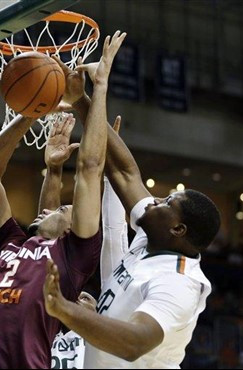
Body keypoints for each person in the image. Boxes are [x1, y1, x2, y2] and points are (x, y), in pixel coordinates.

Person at [0, 30, 126, 369]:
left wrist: (98, 90)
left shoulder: (74, 256)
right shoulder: (10, 244)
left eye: (63, 208)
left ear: (69, 230)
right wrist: (31, 112)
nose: (52, 206)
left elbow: (90, 168)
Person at [43, 53, 221, 368]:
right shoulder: (151, 235)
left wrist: (65, 309)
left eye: (167, 203)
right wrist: (82, 99)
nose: (154, 200)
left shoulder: (178, 282)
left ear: (178, 230)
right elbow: (126, 173)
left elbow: (134, 343)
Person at [47, 118, 129, 369]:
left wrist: (109, 166)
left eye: (90, 299)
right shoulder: (45, 333)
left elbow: (115, 234)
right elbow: (47, 238)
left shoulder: (109, 341)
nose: (83, 297)